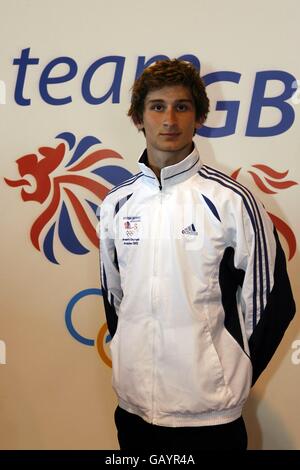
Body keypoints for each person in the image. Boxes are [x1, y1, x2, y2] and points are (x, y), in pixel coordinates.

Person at [99, 59, 296, 451]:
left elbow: (274, 302)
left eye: (182, 106)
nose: (169, 118)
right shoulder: (116, 204)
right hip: (134, 410)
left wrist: (225, 377)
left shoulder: (232, 201)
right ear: (139, 117)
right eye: (157, 107)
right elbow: (114, 300)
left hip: (210, 418)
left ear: (199, 116)